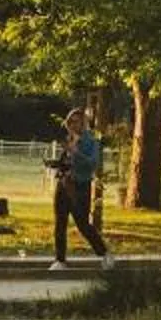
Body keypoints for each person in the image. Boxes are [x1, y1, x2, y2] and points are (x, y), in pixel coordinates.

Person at [49, 106, 109, 267]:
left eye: (76, 122)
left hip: (80, 186)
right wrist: (56, 164)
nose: (72, 125)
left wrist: (76, 152)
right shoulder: (69, 139)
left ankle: (104, 253)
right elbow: (67, 162)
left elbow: (92, 163)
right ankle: (60, 259)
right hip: (63, 184)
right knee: (60, 222)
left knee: (82, 224)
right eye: (70, 122)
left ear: (83, 123)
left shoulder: (92, 142)